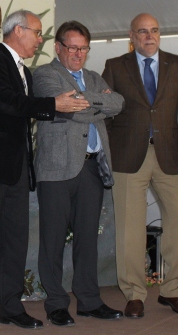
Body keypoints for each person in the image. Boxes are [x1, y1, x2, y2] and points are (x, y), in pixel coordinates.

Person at [0, 10, 90, 333]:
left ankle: (11, 307)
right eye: (37, 32)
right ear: (17, 31)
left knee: (14, 243)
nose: (40, 39)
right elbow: (5, 102)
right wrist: (52, 105)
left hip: (15, 172)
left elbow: (20, 111)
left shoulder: (24, 71)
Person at [101, 13, 178, 319]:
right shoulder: (115, 66)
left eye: (154, 30)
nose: (149, 36)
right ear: (131, 36)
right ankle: (134, 293)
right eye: (142, 31)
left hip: (170, 155)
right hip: (127, 157)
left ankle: (173, 290)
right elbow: (104, 110)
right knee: (129, 228)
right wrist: (113, 146)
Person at [32, 21, 125, 326]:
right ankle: (56, 304)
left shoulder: (94, 77)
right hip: (56, 168)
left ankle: (89, 301)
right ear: (58, 47)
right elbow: (66, 107)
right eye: (72, 47)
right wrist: (98, 102)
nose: (78, 54)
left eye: (83, 48)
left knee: (88, 238)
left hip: (92, 167)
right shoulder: (45, 74)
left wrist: (86, 99)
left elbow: (118, 103)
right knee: (53, 239)